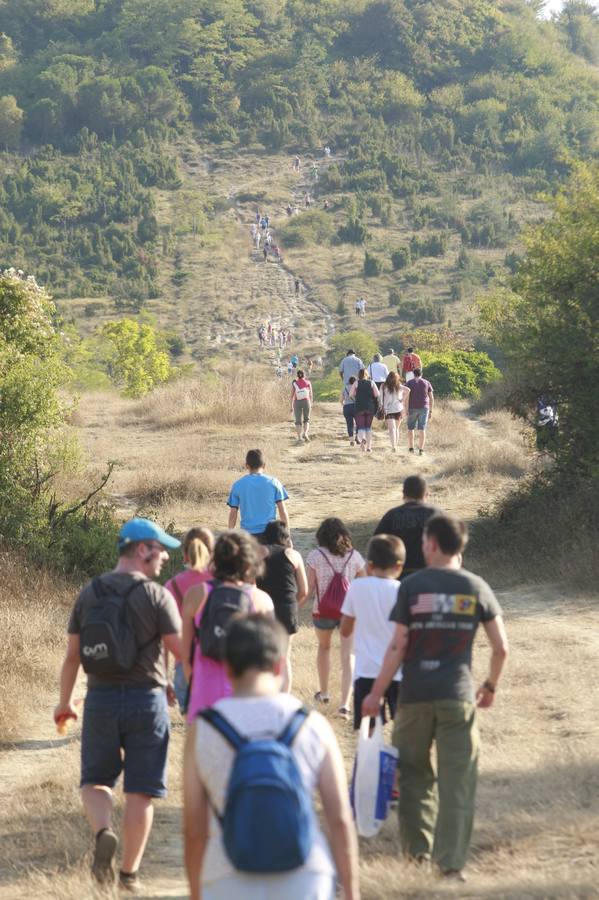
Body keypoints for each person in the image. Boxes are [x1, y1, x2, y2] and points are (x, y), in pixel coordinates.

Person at [362, 515, 509, 880]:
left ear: (431, 544)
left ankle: (417, 855)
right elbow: (501, 648)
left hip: (414, 696)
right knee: (458, 781)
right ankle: (451, 864)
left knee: (413, 776)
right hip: (457, 696)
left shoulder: (412, 587)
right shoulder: (476, 586)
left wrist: (376, 693)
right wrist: (489, 686)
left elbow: (398, 645)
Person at [183, 615, 359, 900]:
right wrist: (351, 892)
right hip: (305, 876)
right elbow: (339, 818)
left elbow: (194, 829)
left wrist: (196, 892)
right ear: (279, 665)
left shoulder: (204, 728)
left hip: (226, 877)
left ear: (227, 667)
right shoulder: (312, 724)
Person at [54, 518, 183, 891]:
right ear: (142, 549)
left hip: (101, 700)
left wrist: (65, 703)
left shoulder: (90, 592)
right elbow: (181, 652)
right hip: (147, 701)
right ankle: (129, 875)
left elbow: (72, 657)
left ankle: (102, 833)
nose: (164, 557)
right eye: (160, 549)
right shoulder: (157, 596)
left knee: (95, 781)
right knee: (141, 791)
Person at [182, 531, 274, 722]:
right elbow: (270, 658)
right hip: (246, 695)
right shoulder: (262, 600)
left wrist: (197, 687)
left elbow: (185, 657)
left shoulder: (196, 595)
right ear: (249, 563)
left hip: (205, 693)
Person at [340, 535, 405, 729]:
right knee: (403, 727)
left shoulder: (357, 587)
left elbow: (345, 630)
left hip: (366, 670)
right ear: (399, 566)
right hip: (397, 671)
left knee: (368, 729)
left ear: (369, 565)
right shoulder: (402, 591)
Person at [306, 518, 366, 718]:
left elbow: (309, 588)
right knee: (348, 655)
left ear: (321, 535)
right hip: (348, 612)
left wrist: (298, 602)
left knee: (324, 648)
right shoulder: (354, 556)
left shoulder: (315, 556)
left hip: (322, 611)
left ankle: (324, 694)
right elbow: (364, 582)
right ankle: (345, 705)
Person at [164, 528, 215, 712]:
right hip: (218, 665)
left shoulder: (172, 586)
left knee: (193, 726)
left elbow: (164, 637)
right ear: (212, 552)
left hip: (185, 668)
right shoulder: (225, 581)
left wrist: (164, 677)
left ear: (185, 554)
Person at [256, 520, 308, 691]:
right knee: (284, 657)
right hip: (287, 607)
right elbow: (304, 590)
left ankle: (265, 691)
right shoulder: (294, 555)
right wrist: (294, 606)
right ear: (286, 537)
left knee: (263, 654)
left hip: (264, 608)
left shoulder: (259, 552)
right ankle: (284, 696)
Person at [374, 475, 441, 575]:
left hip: (400, 574)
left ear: (403, 494)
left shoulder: (391, 516)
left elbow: (376, 545)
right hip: (432, 574)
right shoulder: (438, 515)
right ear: (426, 494)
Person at [227, 449, 289, 541]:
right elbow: (282, 511)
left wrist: (229, 536)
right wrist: (287, 537)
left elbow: (233, 513)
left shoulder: (237, 485)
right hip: (270, 533)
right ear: (264, 465)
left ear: (247, 465)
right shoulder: (274, 482)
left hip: (248, 535)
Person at [379, 371, 411, 452]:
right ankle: (395, 445)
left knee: (392, 429)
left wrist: (381, 406)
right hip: (398, 409)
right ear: (397, 378)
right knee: (396, 428)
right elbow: (408, 390)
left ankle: (394, 446)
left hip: (388, 409)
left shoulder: (383, 386)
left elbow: (380, 398)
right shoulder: (398, 386)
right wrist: (402, 399)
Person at [350, 368, 379, 453]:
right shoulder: (371, 382)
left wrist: (355, 398)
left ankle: (363, 439)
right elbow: (377, 394)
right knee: (368, 428)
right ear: (367, 374)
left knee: (361, 427)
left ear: (359, 375)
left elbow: (351, 394)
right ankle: (369, 448)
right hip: (370, 407)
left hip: (359, 407)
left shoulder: (356, 383)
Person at [407, 368, 434, 455]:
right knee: (422, 429)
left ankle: (411, 448)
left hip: (412, 407)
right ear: (421, 374)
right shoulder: (427, 382)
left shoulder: (409, 383)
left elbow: (406, 397)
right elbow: (431, 398)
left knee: (411, 428)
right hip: (424, 407)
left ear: (413, 374)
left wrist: (405, 408)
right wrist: (431, 411)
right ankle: (421, 450)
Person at [290, 367, 313, 442]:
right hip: (306, 401)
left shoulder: (295, 383)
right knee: (306, 420)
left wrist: (291, 406)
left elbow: (292, 396)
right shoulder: (308, 382)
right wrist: (311, 403)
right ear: (304, 375)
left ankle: (299, 437)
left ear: (297, 375)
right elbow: (311, 394)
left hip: (297, 402)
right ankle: (305, 433)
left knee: (298, 421)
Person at [340, 376, 357, 446]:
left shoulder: (344, 388)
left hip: (347, 407)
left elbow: (341, 400)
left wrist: (344, 405)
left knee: (349, 424)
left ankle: (351, 440)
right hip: (356, 407)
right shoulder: (356, 388)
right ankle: (357, 437)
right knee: (358, 423)